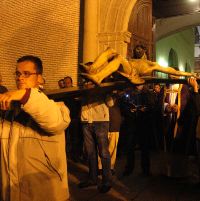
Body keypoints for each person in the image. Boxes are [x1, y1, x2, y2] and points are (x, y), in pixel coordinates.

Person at [0, 55, 71, 201]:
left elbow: (54, 121)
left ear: (39, 78)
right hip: (12, 193)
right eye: (18, 74)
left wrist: (25, 95)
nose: (20, 78)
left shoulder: (55, 106)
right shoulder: (9, 113)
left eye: (26, 74)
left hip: (45, 194)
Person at [80, 47, 196, 85]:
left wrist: (190, 74)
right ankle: (92, 69)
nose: (137, 50)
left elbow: (173, 71)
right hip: (123, 69)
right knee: (110, 50)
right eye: (136, 49)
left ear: (144, 51)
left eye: (140, 49)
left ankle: (98, 77)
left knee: (119, 58)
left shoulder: (152, 64)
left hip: (131, 73)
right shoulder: (131, 58)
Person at [78, 81, 112, 193]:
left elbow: (110, 104)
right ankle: (93, 178)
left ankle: (107, 181)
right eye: (86, 81)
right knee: (90, 152)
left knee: (103, 153)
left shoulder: (102, 89)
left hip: (100, 121)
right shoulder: (83, 89)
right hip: (86, 122)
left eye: (90, 81)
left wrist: (107, 93)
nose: (88, 83)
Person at [122, 84, 155, 176]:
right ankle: (129, 168)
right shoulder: (128, 92)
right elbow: (123, 106)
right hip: (131, 124)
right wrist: (129, 112)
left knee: (144, 148)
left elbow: (152, 106)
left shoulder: (148, 93)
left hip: (143, 124)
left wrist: (145, 110)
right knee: (130, 147)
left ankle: (146, 170)